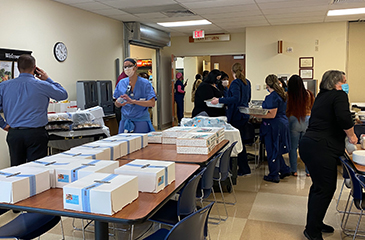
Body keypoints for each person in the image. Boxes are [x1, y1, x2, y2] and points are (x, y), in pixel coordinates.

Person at [299, 70, 357, 240]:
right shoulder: (338, 96)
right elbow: (344, 118)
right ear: (335, 83)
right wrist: (352, 136)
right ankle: (312, 231)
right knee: (324, 189)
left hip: (311, 146)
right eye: (344, 81)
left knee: (319, 188)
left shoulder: (322, 96)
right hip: (321, 148)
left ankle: (315, 224)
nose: (346, 84)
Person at [0, 54, 68, 166]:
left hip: (15, 134)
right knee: (37, 169)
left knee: (16, 169)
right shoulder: (43, 85)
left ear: (18, 68)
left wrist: (3, 125)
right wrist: (47, 79)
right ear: (35, 68)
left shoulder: (4, 86)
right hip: (36, 134)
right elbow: (63, 95)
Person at [211, 63, 252, 175]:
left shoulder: (235, 83)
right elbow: (247, 98)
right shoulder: (247, 82)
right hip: (244, 115)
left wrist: (219, 101)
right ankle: (244, 168)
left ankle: (242, 168)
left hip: (236, 115)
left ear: (232, 71)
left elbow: (234, 99)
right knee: (241, 141)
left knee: (237, 142)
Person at [251, 74, 291, 183]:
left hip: (274, 125)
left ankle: (274, 175)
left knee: (272, 150)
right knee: (277, 148)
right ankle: (284, 169)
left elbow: (271, 114)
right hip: (282, 123)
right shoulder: (282, 95)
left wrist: (256, 115)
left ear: (267, 85)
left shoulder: (272, 97)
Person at [114, 58, 156, 133]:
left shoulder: (145, 83)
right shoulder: (121, 83)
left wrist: (133, 101)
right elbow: (116, 104)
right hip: (125, 120)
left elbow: (152, 103)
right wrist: (118, 103)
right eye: (125, 67)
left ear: (135, 67)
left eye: (130, 66)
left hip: (140, 121)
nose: (127, 69)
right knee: (124, 143)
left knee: (140, 143)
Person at [286, 75, 314, 177]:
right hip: (307, 120)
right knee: (306, 147)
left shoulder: (288, 95)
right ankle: (308, 171)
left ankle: (294, 170)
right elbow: (312, 107)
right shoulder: (308, 94)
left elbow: (286, 110)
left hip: (293, 121)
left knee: (293, 148)